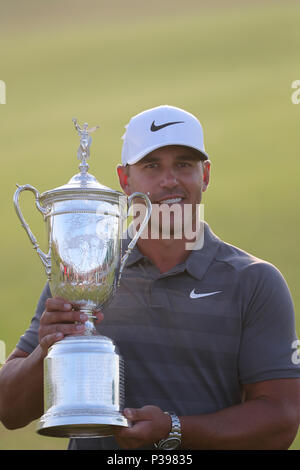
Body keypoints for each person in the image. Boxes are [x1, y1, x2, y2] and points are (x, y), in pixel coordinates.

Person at [1, 105, 300, 450]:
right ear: (125, 180)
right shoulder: (84, 269)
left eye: (184, 165)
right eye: (152, 165)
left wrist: (174, 429)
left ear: (205, 175)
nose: (169, 180)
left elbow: (281, 419)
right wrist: (46, 350)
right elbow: (9, 411)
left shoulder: (254, 282)